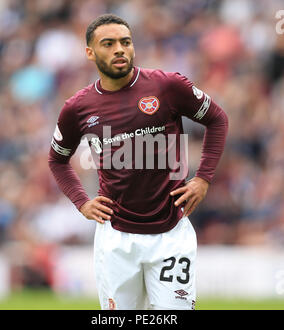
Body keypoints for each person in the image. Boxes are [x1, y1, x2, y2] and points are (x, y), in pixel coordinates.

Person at [48, 14, 228, 310]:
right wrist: (82, 201)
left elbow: (217, 119)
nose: (119, 49)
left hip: (171, 232)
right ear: (90, 53)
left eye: (125, 42)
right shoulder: (77, 108)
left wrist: (203, 177)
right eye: (108, 43)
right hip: (115, 238)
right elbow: (57, 160)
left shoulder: (167, 86)